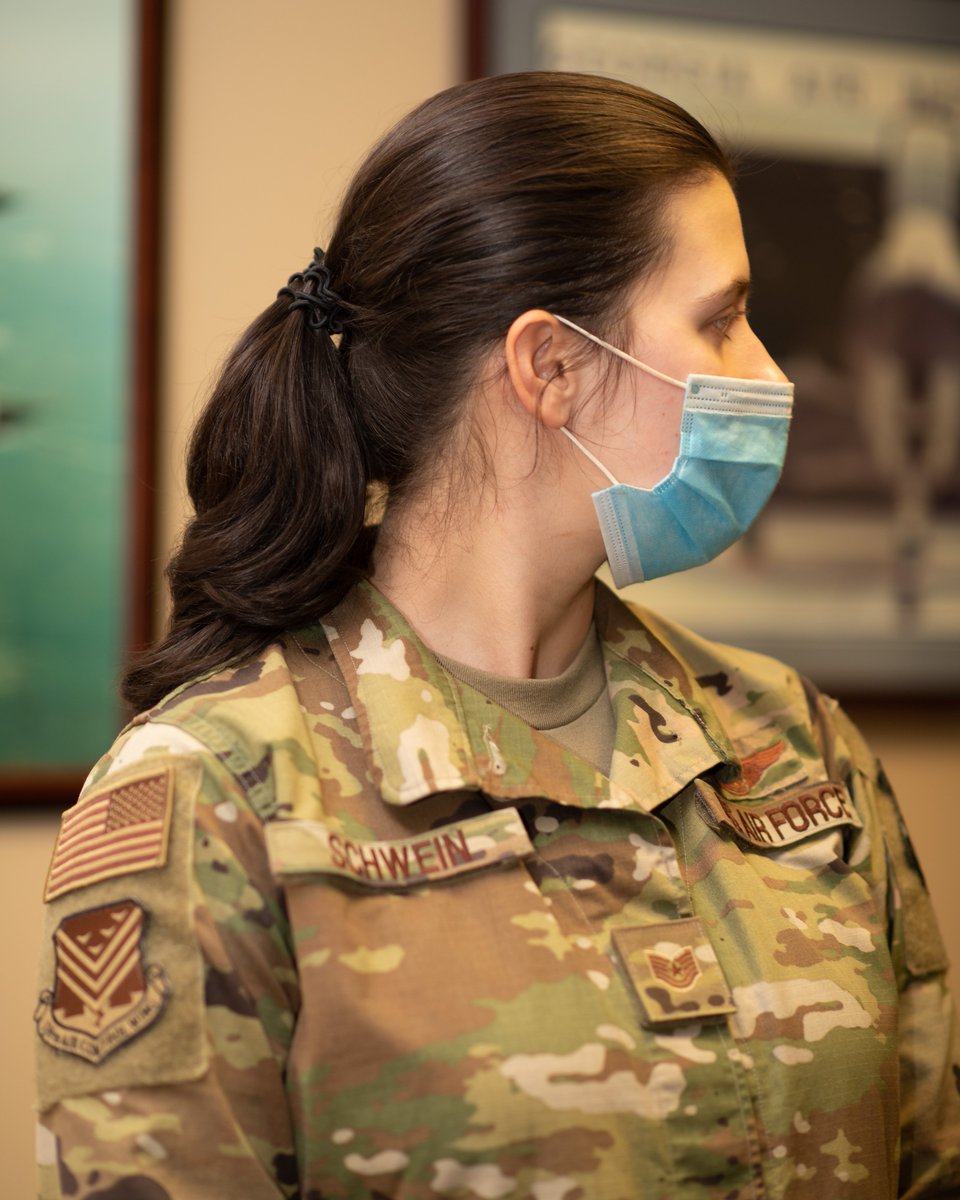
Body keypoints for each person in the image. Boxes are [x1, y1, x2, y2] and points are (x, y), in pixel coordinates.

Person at [35, 72, 959, 1200]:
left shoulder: (795, 745)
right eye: (721, 318)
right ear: (552, 366)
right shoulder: (215, 800)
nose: (766, 373)